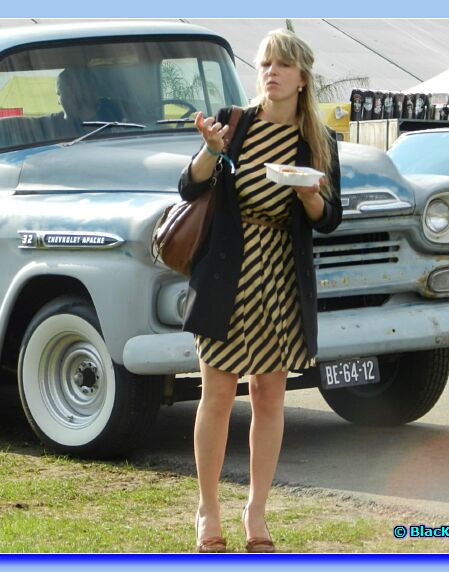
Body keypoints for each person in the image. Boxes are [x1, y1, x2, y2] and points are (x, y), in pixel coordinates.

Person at [177, 29, 342, 553]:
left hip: (279, 279)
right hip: (228, 274)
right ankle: (208, 509)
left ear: (301, 78)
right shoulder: (233, 122)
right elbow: (189, 186)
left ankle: (256, 511)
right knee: (218, 395)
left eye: (282, 65)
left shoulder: (315, 142)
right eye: (266, 63)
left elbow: (328, 218)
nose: (271, 72)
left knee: (269, 396)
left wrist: (310, 195)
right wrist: (210, 151)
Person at [52, 66, 122, 135]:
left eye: (59, 94)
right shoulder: (52, 124)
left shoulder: (120, 116)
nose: (58, 102)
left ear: (75, 95)